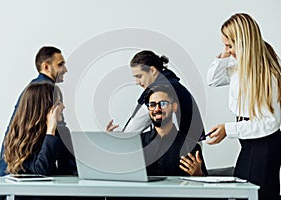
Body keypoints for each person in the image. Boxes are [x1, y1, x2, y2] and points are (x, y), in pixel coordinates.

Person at [206, 13, 281, 200]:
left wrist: (227, 130)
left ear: (243, 42)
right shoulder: (239, 67)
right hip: (249, 142)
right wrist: (224, 55)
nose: (228, 50)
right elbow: (213, 80)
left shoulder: (267, 75)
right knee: (243, 194)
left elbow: (270, 123)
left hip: (263, 145)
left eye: (230, 45)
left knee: (255, 196)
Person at [0, 46, 75, 176]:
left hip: (12, 173)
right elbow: (63, 144)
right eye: (60, 64)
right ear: (46, 67)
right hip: (23, 178)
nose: (65, 69)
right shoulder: (45, 92)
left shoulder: (33, 89)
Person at [106, 50, 205, 142]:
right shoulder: (172, 84)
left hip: (181, 150)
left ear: (152, 70)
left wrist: (116, 139)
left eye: (139, 76)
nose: (137, 82)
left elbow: (133, 130)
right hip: (190, 145)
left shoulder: (160, 91)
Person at [4, 82, 74, 175]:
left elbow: (70, 171)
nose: (63, 107)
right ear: (46, 109)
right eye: (58, 103)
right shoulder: (23, 137)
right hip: (32, 189)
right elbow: (41, 170)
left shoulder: (62, 133)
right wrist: (50, 132)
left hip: (56, 189)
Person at [142, 84, 208, 176]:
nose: (157, 109)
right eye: (152, 105)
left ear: (174, 107)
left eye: (163, 104)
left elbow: (205, 187)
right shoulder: (138, 144)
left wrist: (199, 175)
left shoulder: (190, 146)